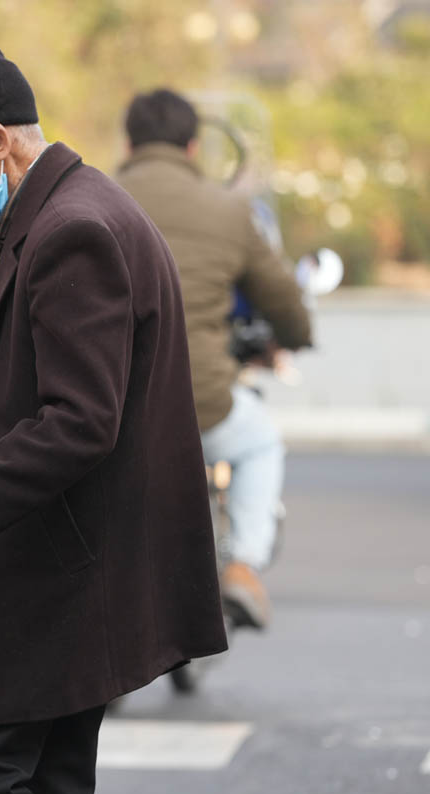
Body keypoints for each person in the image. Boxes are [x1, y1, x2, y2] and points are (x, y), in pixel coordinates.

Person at [0, 37, 227, 794]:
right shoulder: (74, 211)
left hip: (53, 587)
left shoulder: (72, 231)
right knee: (51, 782)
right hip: (73, 580)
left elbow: (80, 421)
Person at [115, 88, 313, 629]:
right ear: (194, 147)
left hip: (102, 398)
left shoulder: (98, 197)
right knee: (259, 443)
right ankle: (243, 568)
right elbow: (281, 297)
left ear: (129, 142)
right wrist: (297, 336)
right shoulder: (229, 210)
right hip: (196, 396)